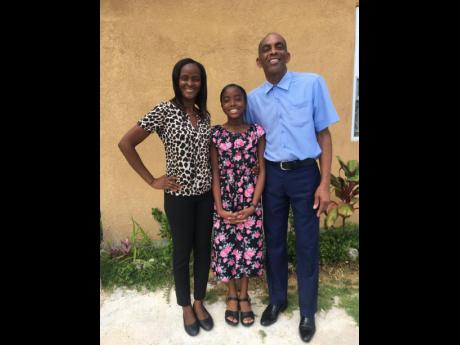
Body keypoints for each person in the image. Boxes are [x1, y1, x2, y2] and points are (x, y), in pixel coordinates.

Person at [245, 33, 339, 342]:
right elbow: (248, 142)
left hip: (305, 176)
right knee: (273, 242)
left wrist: (324, 183)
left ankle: (308, 310)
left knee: (307, 243)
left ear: (287, 54)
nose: (273, 52)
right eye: (266, 49)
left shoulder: (312, 84)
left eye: (279, 47)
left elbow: (323, 135)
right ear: (259, 60)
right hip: (272, 177)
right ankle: (277, 300)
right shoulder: (253, 99)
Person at [118, 58, 214, 337]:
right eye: (184, 78)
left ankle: (199, 301)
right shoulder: (164, 110)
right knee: (182, 251)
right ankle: (185, 306)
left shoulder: (204, 115)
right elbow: (126, 143)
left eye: (195, 78)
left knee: (204, 249)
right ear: (176, 80)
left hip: (205, 195)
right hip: (179, 197)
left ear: (201, 82)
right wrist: (152, 180)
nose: (190, 83)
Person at [210, 84, 266, 327]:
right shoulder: (215, 134)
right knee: (227, 247)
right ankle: (231, 294)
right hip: (225, 200)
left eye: (237, 99)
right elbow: (214, 174)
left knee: (248, 248)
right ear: (221, 104)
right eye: (227, 100)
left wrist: (254, 205)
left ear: (245, 103)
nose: (232, 104)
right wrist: (220, 208)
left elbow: (262, 170)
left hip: (250, 200)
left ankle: (244, 295)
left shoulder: (257, 132)